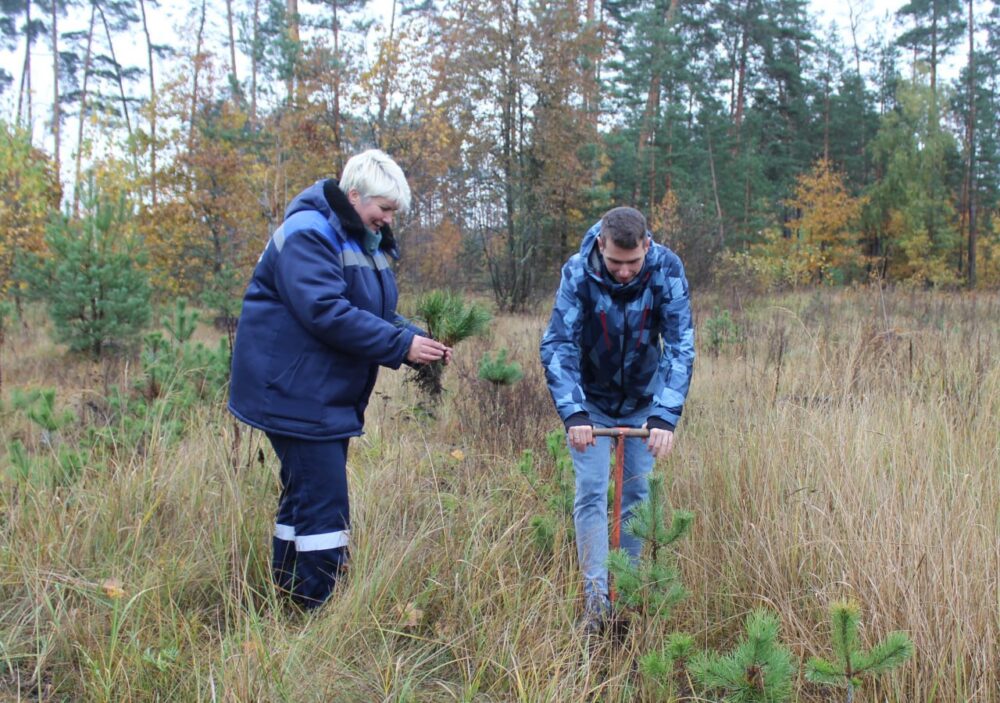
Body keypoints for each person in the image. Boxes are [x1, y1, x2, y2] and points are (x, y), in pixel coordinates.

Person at [228, 149, 451, 609]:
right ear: (353, 196)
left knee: (303, 497)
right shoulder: (309, 233)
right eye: (383, 209)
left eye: (394, 212)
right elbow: (326, 312)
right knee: (325, 506)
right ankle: (317, 609)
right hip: (293, 393)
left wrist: (415, 339)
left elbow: (376, 313)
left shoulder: (359, 241)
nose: (388, 221)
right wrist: (399, 346)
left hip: (318, 394)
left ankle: (289, 596)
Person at [539, 206, 694, 633]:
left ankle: (624, 592)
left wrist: (664, 415)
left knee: (636, 498)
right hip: (591, 404)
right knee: (591, 492)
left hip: (645, 403)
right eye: (614, 262)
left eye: (632, 263)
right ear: (600, 246)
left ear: (647, 246)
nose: (624, 272)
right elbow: (558, 345)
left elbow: (681, 344)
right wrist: (574, 411)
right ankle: (595, 600)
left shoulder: (667, 269)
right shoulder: (578, 273)